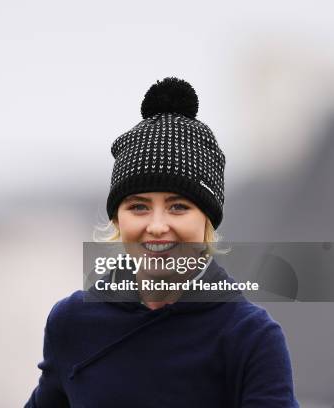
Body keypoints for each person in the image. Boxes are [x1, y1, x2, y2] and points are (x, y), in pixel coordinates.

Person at [24, 77, 299, 407]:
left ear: (207, 221)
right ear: (117, 220)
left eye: (178, 207)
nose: (156, 226)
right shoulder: (72, 323)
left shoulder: (250, 338)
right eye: (138, 206)